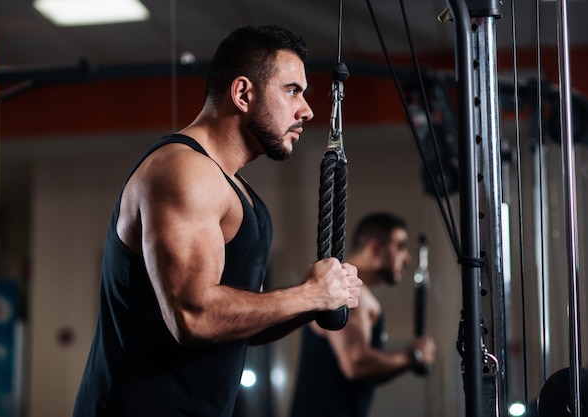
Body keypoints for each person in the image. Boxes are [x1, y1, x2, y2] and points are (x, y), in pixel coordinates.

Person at [72, 25, 362, 417]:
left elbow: (233, 323)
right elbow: (194, 316)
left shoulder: (238, 193)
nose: (307, 110)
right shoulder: (183, 171)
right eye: (292, 90)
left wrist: (316, 302)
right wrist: (308, 295)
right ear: (243, 93)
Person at [290, 212, 437, 417]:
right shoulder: (346, 293)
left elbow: (366, 371)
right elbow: (355, 363)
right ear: (375, 249)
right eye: (400, 246)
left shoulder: (350, 292)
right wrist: (413, 356)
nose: (408, 258)